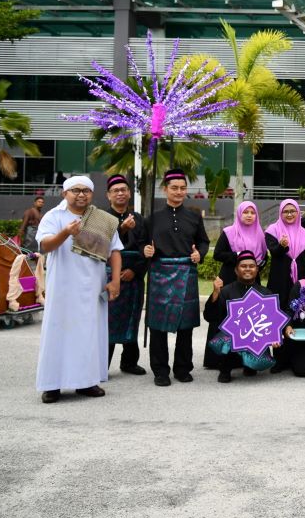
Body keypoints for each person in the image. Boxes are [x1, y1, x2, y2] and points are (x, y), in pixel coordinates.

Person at [35, 175, 122, 403]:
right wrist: (66, 233)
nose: (81, 194)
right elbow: (44, 246)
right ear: (65, 193)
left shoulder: (103, 219)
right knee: (57, 332)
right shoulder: (53, 216)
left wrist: (115, 280)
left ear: (92, 194)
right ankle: (52, 385)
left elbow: (114, 251)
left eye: (86, 190)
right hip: (62, 287)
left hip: (92, 287)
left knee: (88, 334)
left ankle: (86, 382)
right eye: (76, 190)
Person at [141, 169, 210, 387]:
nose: (179, 192)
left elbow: (204, 242)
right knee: (157, 326)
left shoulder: (194, 216)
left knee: (185, 325)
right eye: (174, 188)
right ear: (165, 189)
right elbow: (142, 242)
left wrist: (200, 254)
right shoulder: (152, 218)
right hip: (159, 273)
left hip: (186, 272)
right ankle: (160, 370)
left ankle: (182, 368)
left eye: (182, 188)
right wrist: (146, 250)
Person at [204, 251, 276, 382]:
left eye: (252, 266)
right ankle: (225, 368)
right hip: (231, 339)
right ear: (236, 270)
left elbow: (272, 322)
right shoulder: (226, 291)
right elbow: (210, 316)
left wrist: (274, 337)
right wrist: (215, 293)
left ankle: (250, 364)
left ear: (257, 270)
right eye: (243, 266)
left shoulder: (265, 293)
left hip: (254, 338)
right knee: (229, 335)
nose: (248, 269)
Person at [102, 174, 147, 375]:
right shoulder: (101, 218)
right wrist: (121, 230)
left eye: (123, 190)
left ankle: (129, 362)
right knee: (108, 321)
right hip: (109, 276)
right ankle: (101, 365)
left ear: (129, 193)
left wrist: (135, 270)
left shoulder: (139, 219)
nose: (120, 193)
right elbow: (101, 247)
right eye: (115, 191)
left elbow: (146, 248)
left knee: (132, 318)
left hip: (133, 276)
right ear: (108, 195)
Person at [264, 199, 305, 309]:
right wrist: (281, 246)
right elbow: (274, 252)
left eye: (292, 211)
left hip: (301, 276)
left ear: (298, 212)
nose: (289, 214)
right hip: (280, 276)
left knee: (299, 308)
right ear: (280, 213)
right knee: (278, 306)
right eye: (285, 211)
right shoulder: (272, 230)